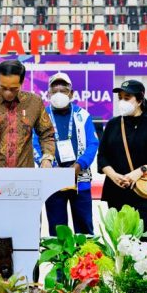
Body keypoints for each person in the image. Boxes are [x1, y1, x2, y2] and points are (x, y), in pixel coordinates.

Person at [97, 79, 147, 232]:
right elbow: (102, 156)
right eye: (120, 98)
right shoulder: (113, 124)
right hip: (115, 190)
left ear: (140, 100)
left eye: (127, 98)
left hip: (143, 191)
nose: (122, 101)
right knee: (119, 237)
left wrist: (137, 172)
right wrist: (113, 175)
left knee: (141, 237)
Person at [33, 72, 99, 236]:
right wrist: (47, 163)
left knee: (84, 228)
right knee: (57, 230)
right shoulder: (41, 116)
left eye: (63, 90)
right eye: (55, 91)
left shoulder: (83, 115)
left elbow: (93, 143)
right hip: (53, 179)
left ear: (71, 93)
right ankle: (59, 262)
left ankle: (85, 261)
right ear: (48, 94)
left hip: (80, 179)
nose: (59, 94)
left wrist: (79, 164)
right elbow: (34, 143)